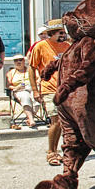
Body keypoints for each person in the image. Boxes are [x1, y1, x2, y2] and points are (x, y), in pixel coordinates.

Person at [28, 19, 70, 166]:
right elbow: (32, 68)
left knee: (67, 123)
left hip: (66, 88)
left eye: (64, 32)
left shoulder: (67, 46)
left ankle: (66, 151)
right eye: (60, 33)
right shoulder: (40, 47)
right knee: (56, 120)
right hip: (49, 89)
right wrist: (34, 89)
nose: (63, 35)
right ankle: (52, 152)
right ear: (51, 34)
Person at [6, 54, 40, 129]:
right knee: (25, 97)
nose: (18, 62)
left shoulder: (31, 70)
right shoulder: (11, 72)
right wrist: (16, 87)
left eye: (20, 60)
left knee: (36, 99)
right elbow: (8, 86)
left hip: (31, 88)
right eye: (16, 60)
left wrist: (36, 83)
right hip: (19, 90)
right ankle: (31, 120)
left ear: (24, 61)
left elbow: (38, 79)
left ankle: (30, 117)